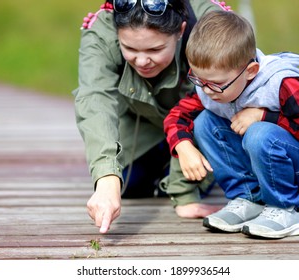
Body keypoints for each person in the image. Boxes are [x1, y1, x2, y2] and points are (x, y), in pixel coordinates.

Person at [163, 10, 299, 238]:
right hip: (263, 165)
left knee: (259, 133)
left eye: (216, 84)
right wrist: (183, 146)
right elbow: (176, 116)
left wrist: (263, 116)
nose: (207, 90)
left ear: (250, 72)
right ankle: (248, 198)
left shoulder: (283, 83)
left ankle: (286, 209)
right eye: (199, 79)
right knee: (205, 122)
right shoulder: (212, 85)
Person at [74, 0, 233, 234]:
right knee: (126, 183)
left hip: (201, 123)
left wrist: (184, 193)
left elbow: (214, 103)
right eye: (129, 48)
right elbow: (94, 99)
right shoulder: (101, 30)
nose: (141, 61)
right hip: (141, 122)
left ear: (180, 30)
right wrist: (107, 178)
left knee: (200, 171)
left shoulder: (212, 27)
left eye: (154, 50)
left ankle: (187, 173)